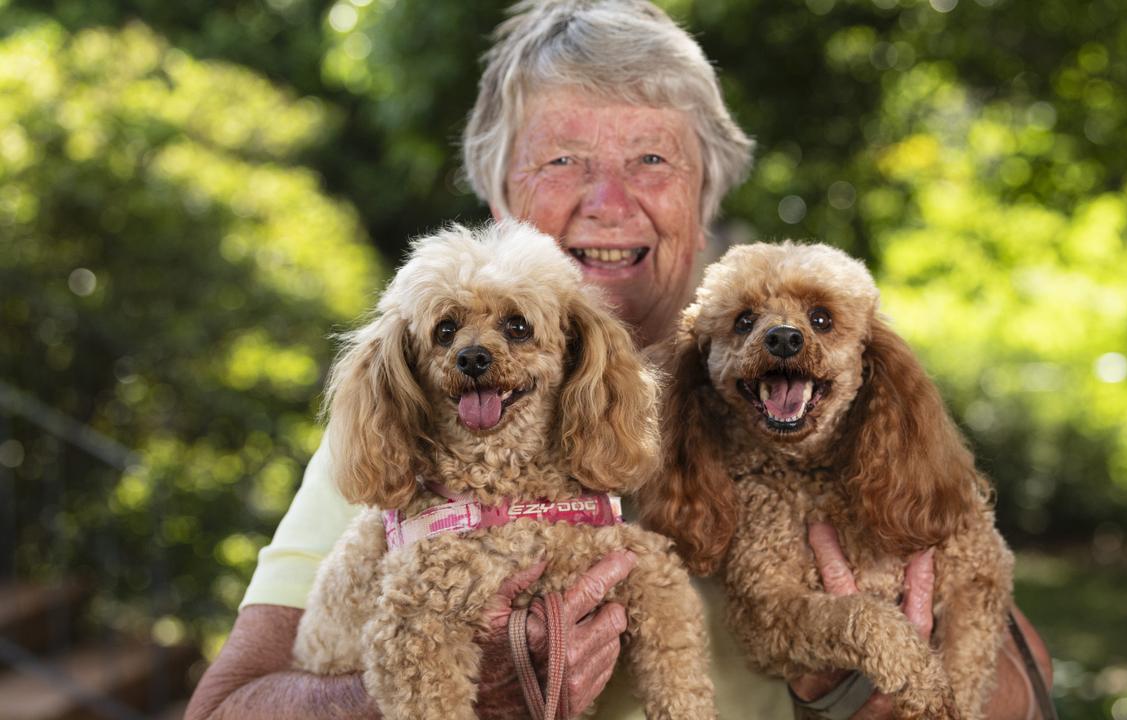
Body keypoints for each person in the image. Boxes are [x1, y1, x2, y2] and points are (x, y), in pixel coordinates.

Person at [185, 1, 1052, 718]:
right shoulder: (418, 409)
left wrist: (872, 688)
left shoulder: (818, 388)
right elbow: (227, 709)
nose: (609, 203)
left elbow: (1026, 683)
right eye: (563, 160)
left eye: (652, 159)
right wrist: (417, 690)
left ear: (703, 196)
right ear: (498, 196)